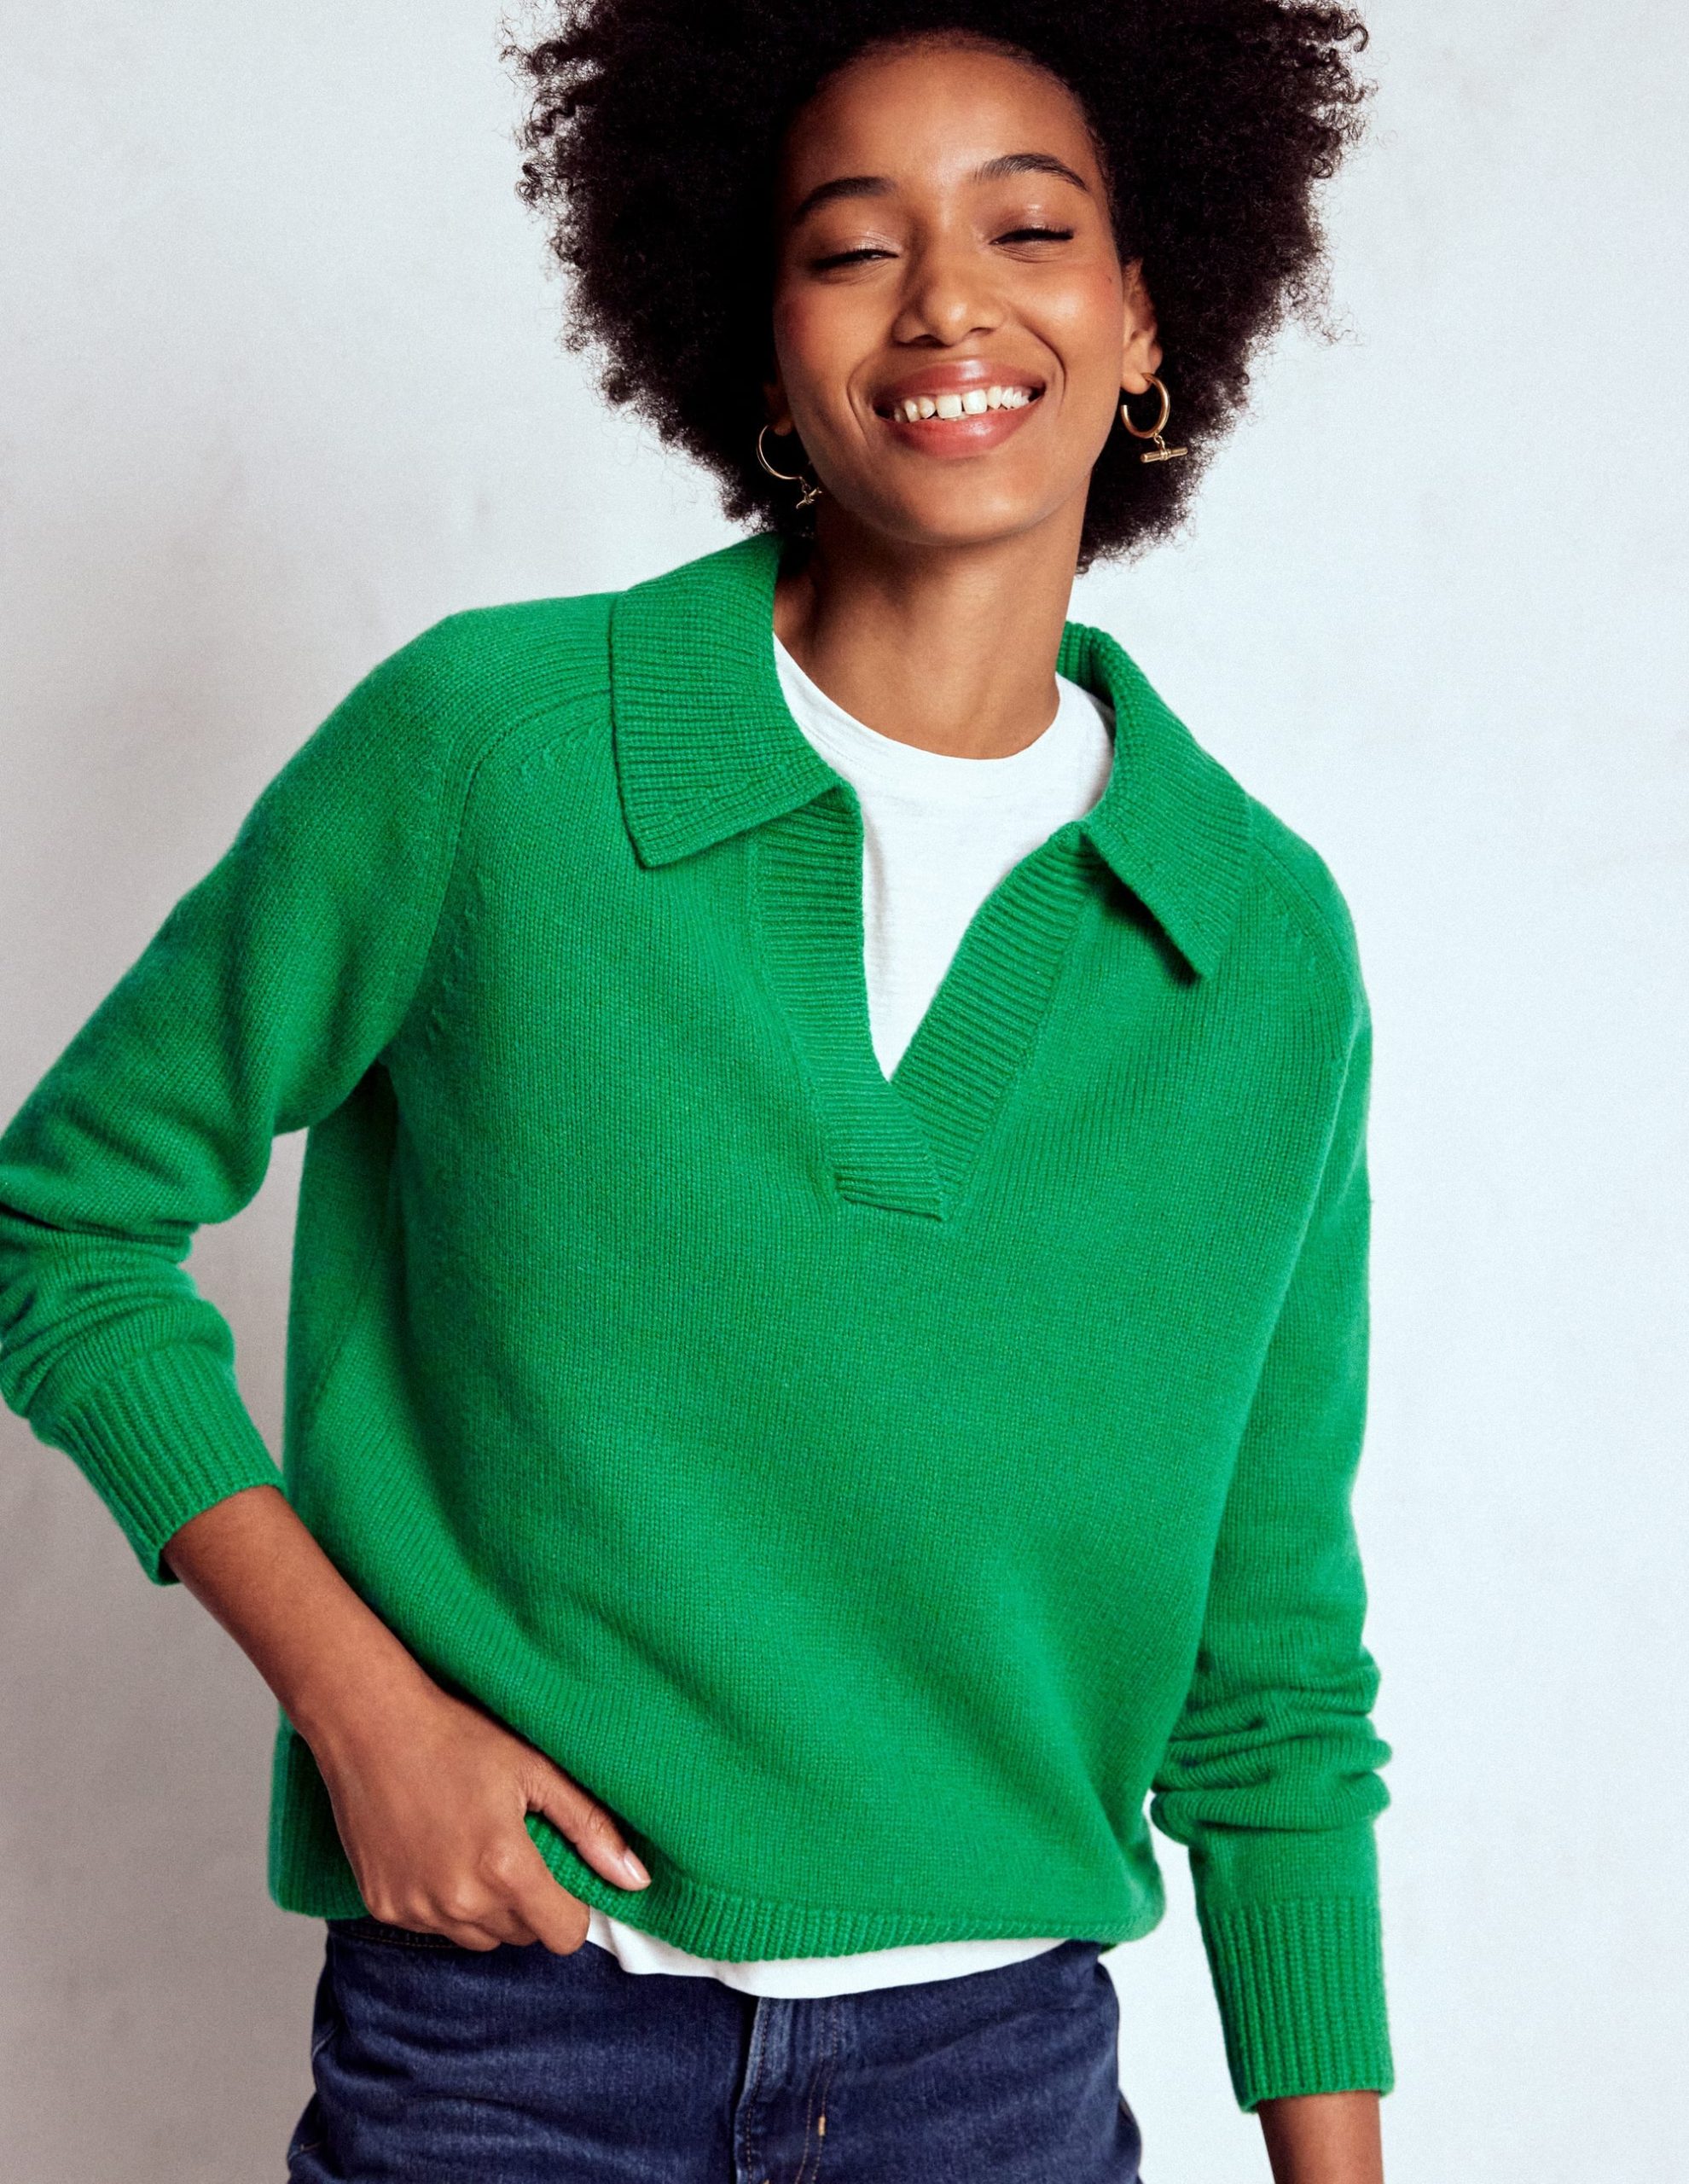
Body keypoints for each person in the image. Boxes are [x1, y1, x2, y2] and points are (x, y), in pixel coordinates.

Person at [0, 3, 1393, 2178]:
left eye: (1029, 228)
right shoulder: (496, 756)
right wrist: (362, 1712)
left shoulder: (1255, 945)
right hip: (507, 2053)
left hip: (998, 2089)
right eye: (854, 245)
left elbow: (1272, 1663)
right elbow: (65, 1217)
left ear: (1144, 317)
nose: (947, 300)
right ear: (762, 345)